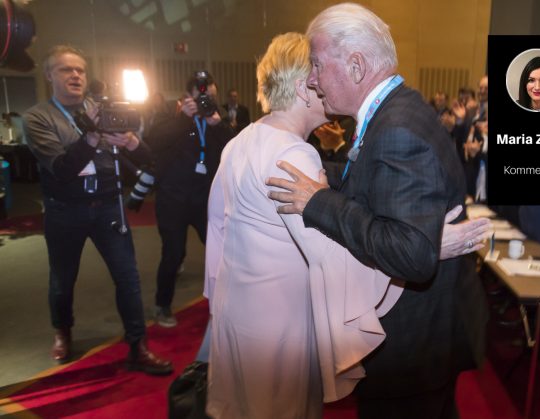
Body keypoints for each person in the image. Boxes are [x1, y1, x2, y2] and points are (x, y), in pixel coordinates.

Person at [266, 4, 491, 418]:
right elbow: (372, 177)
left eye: (317, 65)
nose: (312, 79)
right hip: (429, 335)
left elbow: (410, 254)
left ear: (355, 66)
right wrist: (316, 170)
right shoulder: (396, 109)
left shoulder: (397, 129)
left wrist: (318, 202)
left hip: (413, 345)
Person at [204, 32, 418, 418]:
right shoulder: (295, 153)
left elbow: (217, 232)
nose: (333, 84)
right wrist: (406, 249)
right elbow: (331, 255)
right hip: (277, 327)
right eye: (324, 72)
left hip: (237, 314)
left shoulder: (241, 140)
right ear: (305, 86)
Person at [22, 45, 172, 375]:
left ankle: (138, 346)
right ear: (49, 76)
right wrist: (91, 136)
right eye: (66, 70)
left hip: (108, 207)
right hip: (65, 211)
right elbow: (62, 169)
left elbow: (147, 158)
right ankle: (63, 329)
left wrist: (131, 142)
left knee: (128, 278)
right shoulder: (37, 118)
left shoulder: (103, 110)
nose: (75, 75)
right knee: (62, 280)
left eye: (80, 70)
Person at [144, 73, 233, 328]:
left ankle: (228, 301)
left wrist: (217, 124)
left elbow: (234, 148)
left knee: (221, 249)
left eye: (211, 97)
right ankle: (162, 305)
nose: (206, 101)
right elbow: (154, 140)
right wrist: (183, 118)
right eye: (202, 97)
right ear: (188, 96)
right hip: (173, 199)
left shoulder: (215, 119)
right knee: (173, 253)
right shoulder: (171, 114)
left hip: (204, 198)